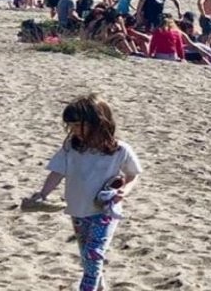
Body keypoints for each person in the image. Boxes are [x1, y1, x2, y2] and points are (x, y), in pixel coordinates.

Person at [25, 94, 142, 291]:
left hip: (104, 211)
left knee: (94, 252)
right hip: (78, 210)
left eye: (79, 125)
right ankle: (100, 285)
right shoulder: (72, 147)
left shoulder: (120, 150)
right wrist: (43, 194)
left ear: (99, 123)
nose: (74, 131)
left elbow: (133, 174)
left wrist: (124, 190)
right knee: (87, 255)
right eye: (71, 126)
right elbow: (57, 172)